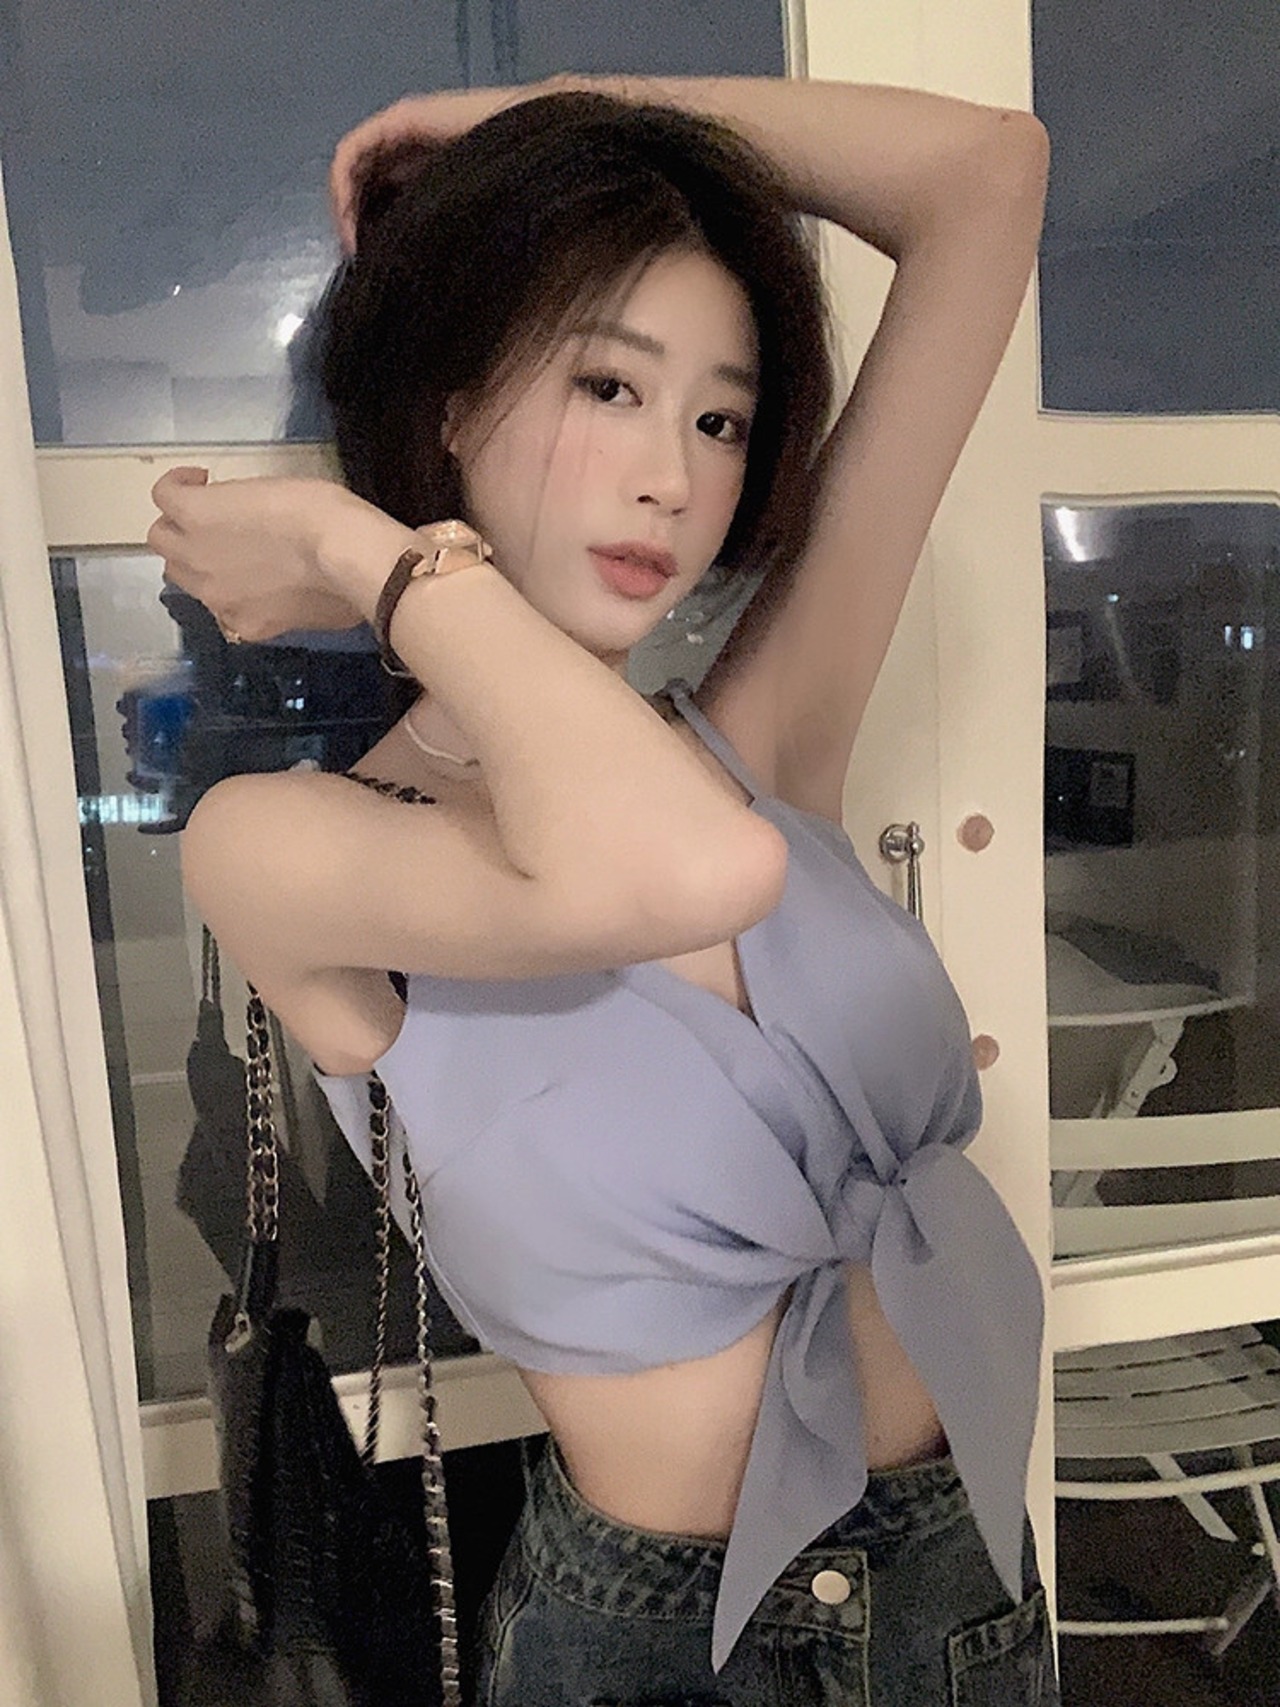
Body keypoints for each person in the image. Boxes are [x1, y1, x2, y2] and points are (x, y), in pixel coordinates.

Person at [150, 73, 1054, 1706]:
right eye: (608, 385)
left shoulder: (751, 742)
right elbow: (687, 873)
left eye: (719, 419)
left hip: (960, 1588)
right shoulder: (283, 847)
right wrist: (374, 553)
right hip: (661, 1648)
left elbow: (990, 173)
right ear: (446, 410)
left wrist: (550, 121)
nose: (673, 479)